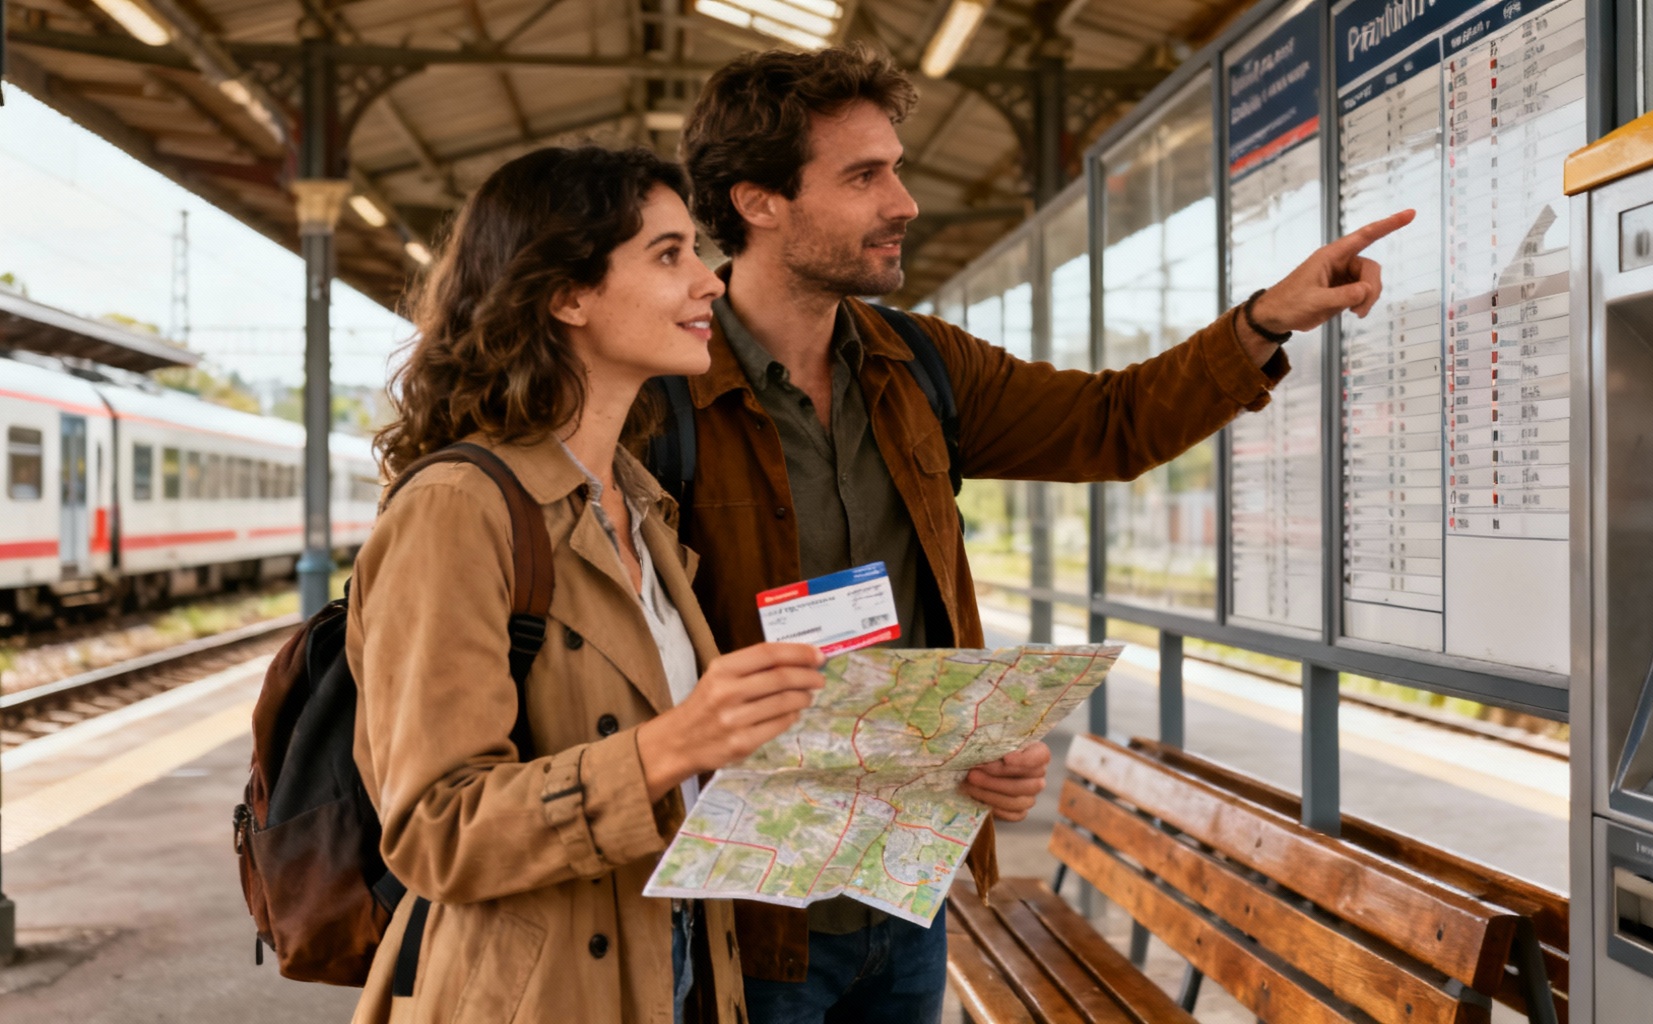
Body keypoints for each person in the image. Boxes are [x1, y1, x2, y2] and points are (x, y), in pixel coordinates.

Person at [673, 43, 1412, 1024]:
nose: (903, 201)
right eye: (863, 175)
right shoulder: (661, 394)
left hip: (907, 881)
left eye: (896, 167)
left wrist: (1267, 319)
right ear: (756, 200)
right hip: (741, 910)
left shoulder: (920, 363)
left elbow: (1109, 422)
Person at [346, 145, 827, 1024]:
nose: (710, 282)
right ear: (567, 295)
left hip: (677, 967)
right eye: (669, 254)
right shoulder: (458, 508)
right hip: (537, 994)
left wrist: (926, 763)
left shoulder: (640, 506)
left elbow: (688, 771)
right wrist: (670, 746)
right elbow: (434, 830)